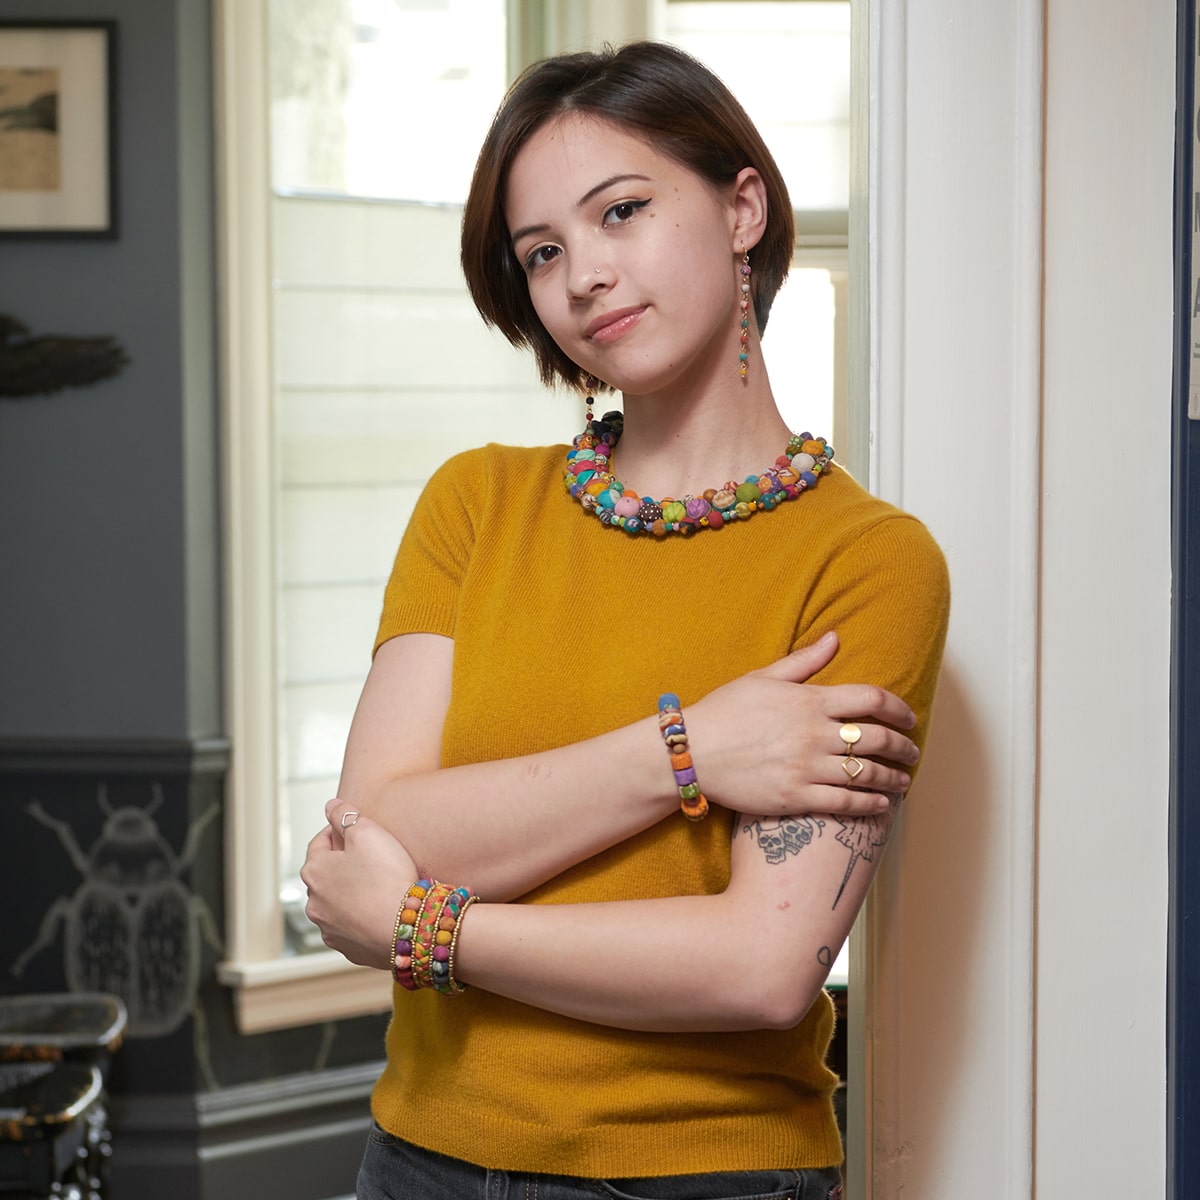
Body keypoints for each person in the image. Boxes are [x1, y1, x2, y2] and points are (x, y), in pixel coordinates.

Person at [301, 40, 950, 1200]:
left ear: (743, 205)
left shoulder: (868, 564)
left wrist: (428, 931)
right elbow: (384, 820)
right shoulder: (476, 504)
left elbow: (758, 968)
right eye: (542, 252)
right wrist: (687, 752)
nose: (583, 276)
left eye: (623, 212)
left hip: (702, 1177)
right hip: (416, 1166)